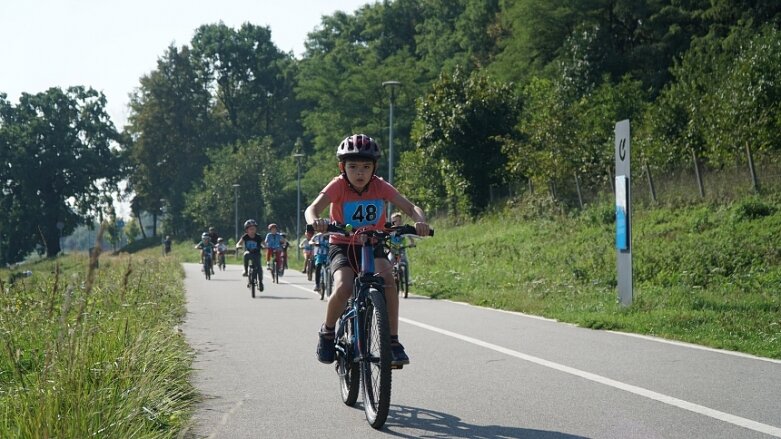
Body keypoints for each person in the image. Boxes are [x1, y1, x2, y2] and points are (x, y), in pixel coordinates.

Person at [306, 133, 430, 367]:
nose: (360, 173)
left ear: (374, 168)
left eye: (366, 166)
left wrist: (420, 221)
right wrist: (316, 221)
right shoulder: (338, 185)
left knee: (389, 280)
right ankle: (328, 331)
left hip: (373, 243)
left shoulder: (379, 185)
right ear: (342, 167)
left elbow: (411, 207)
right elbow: (312, 208)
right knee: (343, 286)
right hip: (343, 245)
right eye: (353, 167)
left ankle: (392, 341)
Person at [236, 219, 264, 291]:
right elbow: (239, 243)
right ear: (247, 230)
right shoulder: (245, 237)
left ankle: (260, 282)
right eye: (250, 229)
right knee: (245, 254)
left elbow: (264, 243)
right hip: (249, 253)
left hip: (257, 254)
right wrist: (239, 246)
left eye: (254, 229)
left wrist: (265, 246)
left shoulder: (258, 237)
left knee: (259, 269)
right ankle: (245, 270)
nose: (252, 231)